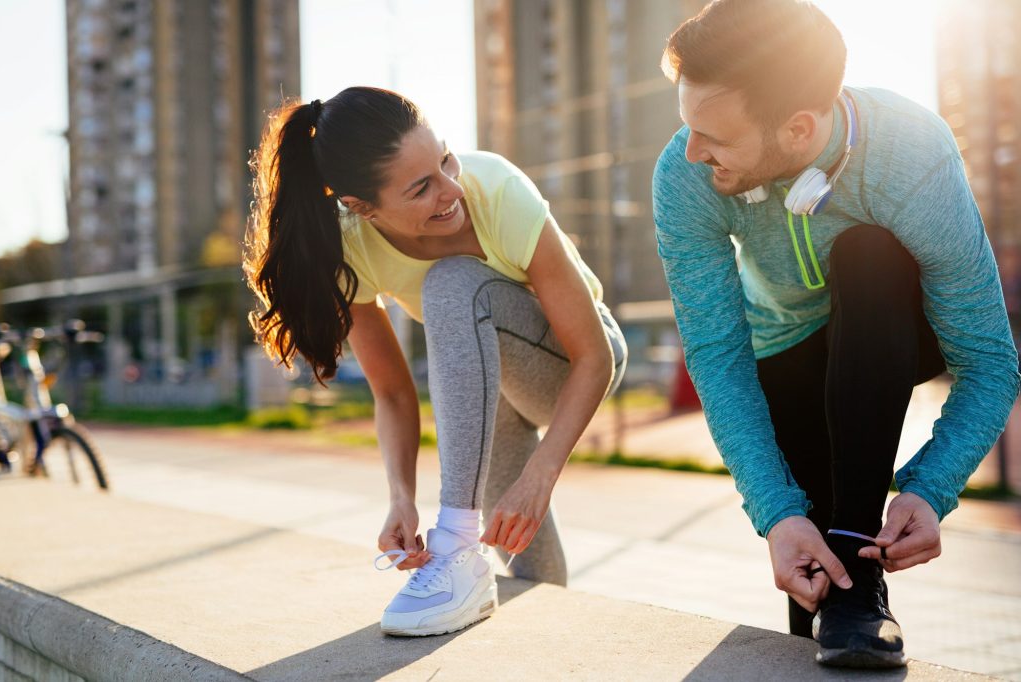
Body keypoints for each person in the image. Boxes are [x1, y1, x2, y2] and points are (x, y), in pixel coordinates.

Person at [652, 0, 1019, 669]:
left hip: (894, 330)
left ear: (797, 129)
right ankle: (847, 597)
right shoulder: (685, 173)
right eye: (688, 128)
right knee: (818, 589)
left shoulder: (912, 154)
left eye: (714, 137)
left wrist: (930, 489)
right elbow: (718, 358)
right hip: (783, 352)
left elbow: (991, 362)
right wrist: (775, 512)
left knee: (869, 253)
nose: (692, 151)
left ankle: (855, 546)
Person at [244, 86, 627, 637]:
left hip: (579, 363)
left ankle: (454, 542)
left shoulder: (496, 189)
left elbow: (592, 356)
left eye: (445, 158)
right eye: (422, 187)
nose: (452, 189)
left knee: (451, 283)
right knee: (532, 570)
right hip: (493, 396)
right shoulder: (349, 246)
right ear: (361, 208)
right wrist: (400, 497)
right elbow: (394, 393)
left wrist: (541, 474)